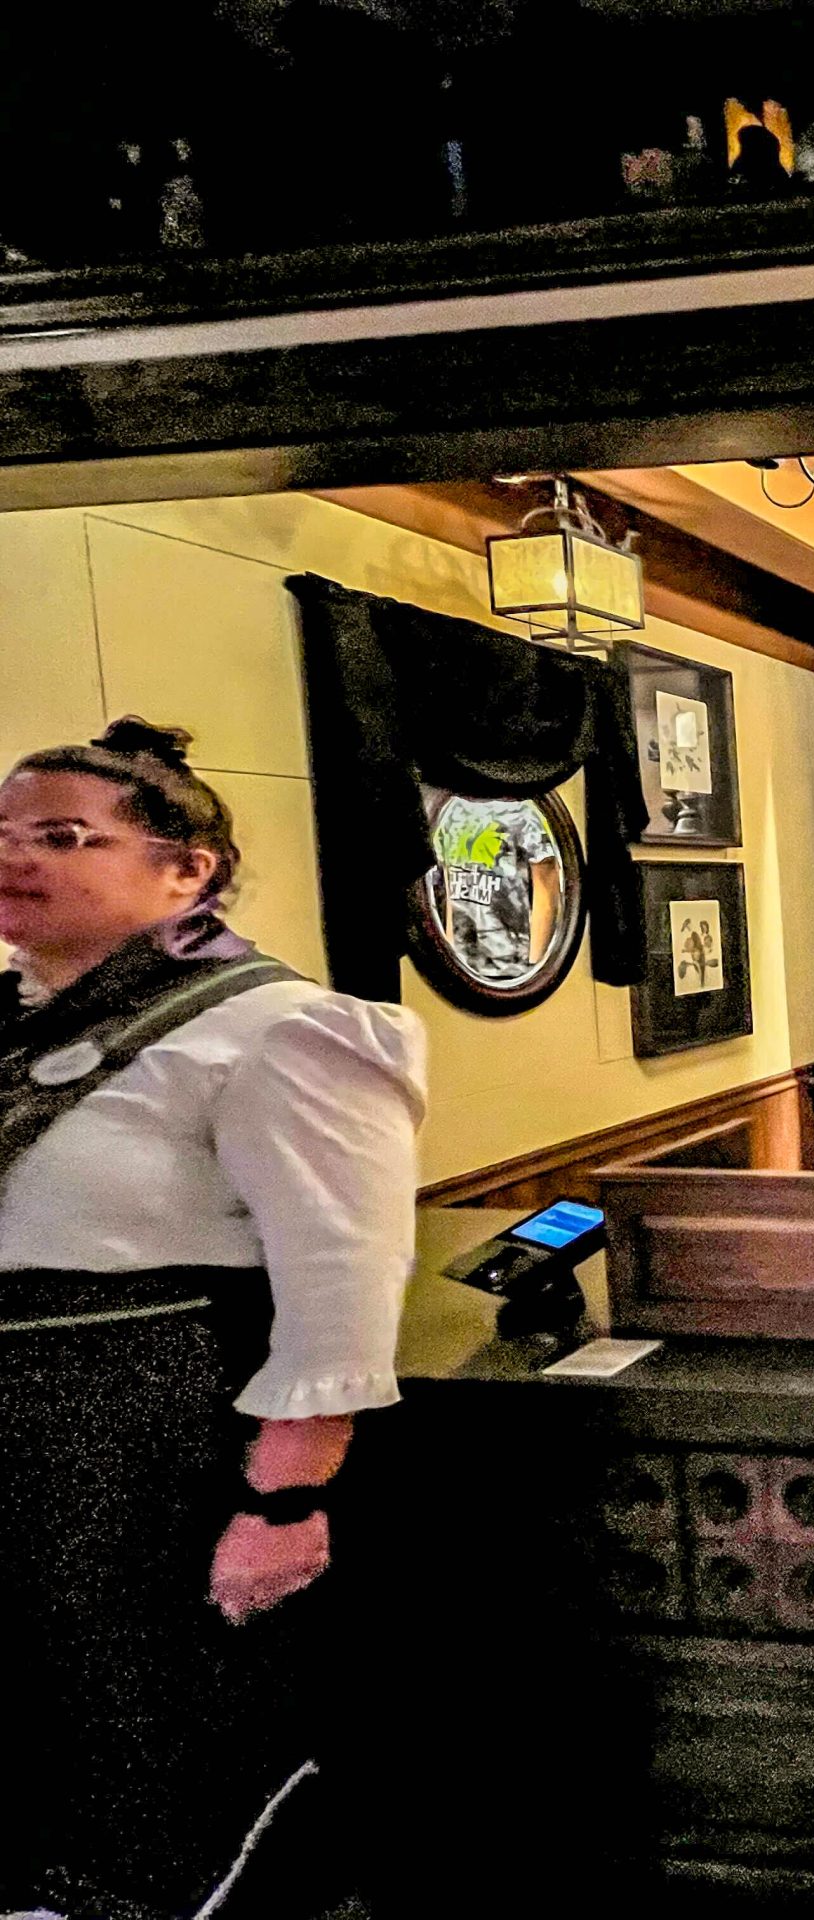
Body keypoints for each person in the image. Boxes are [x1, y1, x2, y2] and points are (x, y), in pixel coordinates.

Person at [0, 719, 426, 1920]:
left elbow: (341, 1290)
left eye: (62, 836)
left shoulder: (274, 1027)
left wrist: (282, 1504)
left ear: (187, 869)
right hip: (25, 1427)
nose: (16, 857)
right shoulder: (19, 1023)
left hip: (137, 1423)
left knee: (145, 1718)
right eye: (3, 832)